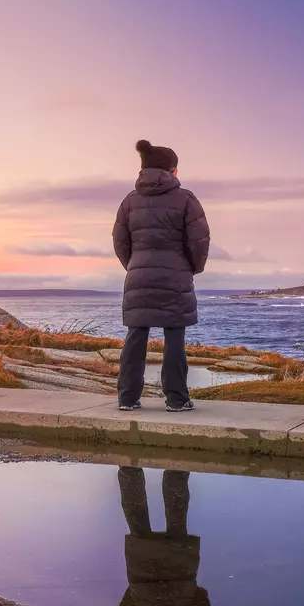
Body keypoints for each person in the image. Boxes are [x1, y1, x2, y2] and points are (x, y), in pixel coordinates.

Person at [112, 139, 211, 411]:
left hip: (138, 275)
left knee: (136, 335)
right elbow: (199, 240)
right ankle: (177, 400)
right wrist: (193, 267)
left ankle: (127, 399)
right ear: (173, 171)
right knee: (175, 337)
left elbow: (119, 241)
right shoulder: (186, 199)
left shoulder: (129, 202)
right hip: (175, 276)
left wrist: (134, 265)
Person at [115, 467, 215, 606]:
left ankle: (176, 469)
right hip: (143, 584)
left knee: (177, 521)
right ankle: (129, 469)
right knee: (138, 522)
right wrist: (132, 595)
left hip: (180, 579)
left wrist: (199, 595)